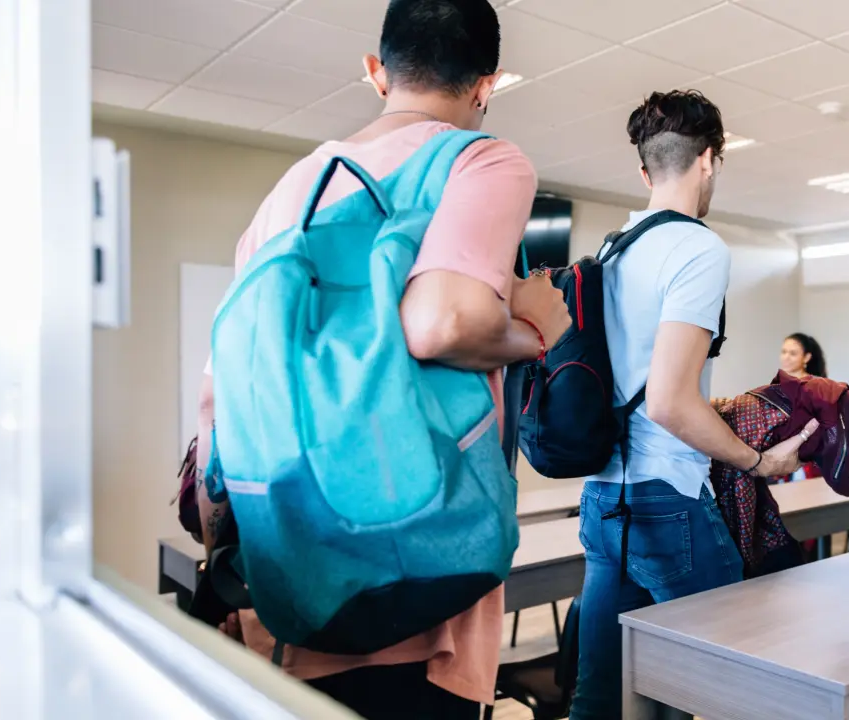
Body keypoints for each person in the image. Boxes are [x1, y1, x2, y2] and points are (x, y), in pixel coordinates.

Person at [194, 1, 570, 717]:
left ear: (376, 73)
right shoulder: (479, 159)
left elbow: (222, 395)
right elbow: (443, 323)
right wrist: (535, 329)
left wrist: (228, 556)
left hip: (287, 586)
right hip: (423, 597)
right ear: (486, 85)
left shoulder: (289, 195)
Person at [572, 90, 815, 720]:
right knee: (732, 689)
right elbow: (669, 402)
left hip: (603, 497)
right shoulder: (698, 248)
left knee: (601, 697)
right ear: (708, 160)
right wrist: (759, 462)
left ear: (644, 171)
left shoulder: (612, 249)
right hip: (668, 498)